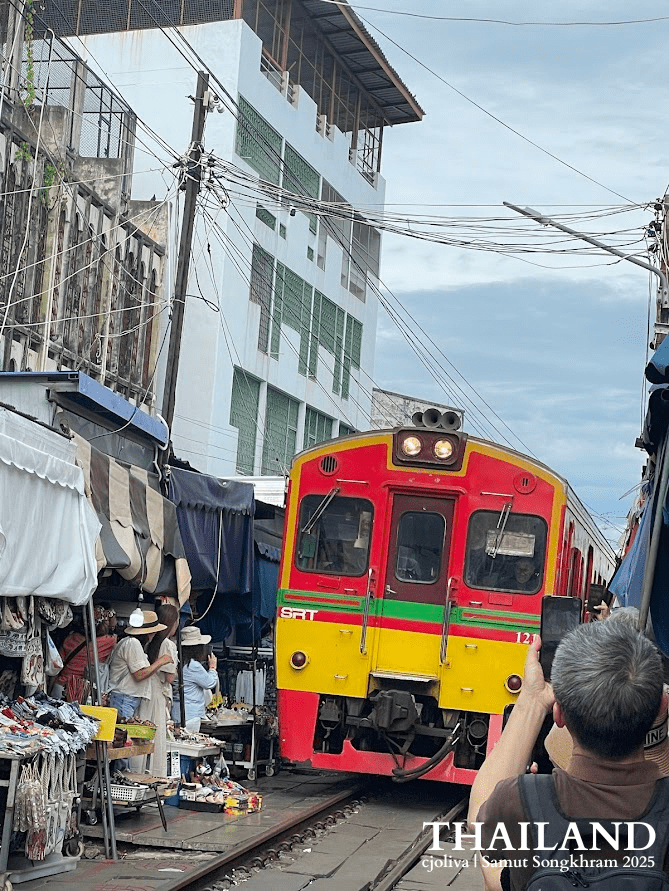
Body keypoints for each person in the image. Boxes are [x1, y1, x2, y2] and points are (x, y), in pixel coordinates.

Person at [468, 622, 667, 891]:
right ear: (661, 709)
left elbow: (479, 831)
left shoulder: (518, 799)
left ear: (559, 715)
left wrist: (533, 700)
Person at [107, 610, 173, 722]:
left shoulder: (128, 642)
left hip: (126, 698)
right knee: (122, 735)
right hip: (124, 698)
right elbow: (139, 675)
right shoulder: (132, 643)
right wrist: (161, 661)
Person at [138, 603, 179, 776]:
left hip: (147, 691)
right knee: (157, 737)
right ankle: (156, 776)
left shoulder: (149, 643)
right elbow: (169, 677)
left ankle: (138, 772)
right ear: (172, 623)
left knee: (142, 735)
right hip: (158, 693)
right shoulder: (168, 644)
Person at [52, 605, 117, 702]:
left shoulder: (72, 638)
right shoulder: (110, 641)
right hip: (83, 692)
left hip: (61, 686)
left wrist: (50, 687)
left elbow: (56, 666)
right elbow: (113, 626)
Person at [172, 626, 218, 733]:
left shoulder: (177, 661)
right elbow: (210, 683)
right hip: (191, 714)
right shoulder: (193, 666)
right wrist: (212, 668)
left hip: (176, 711)